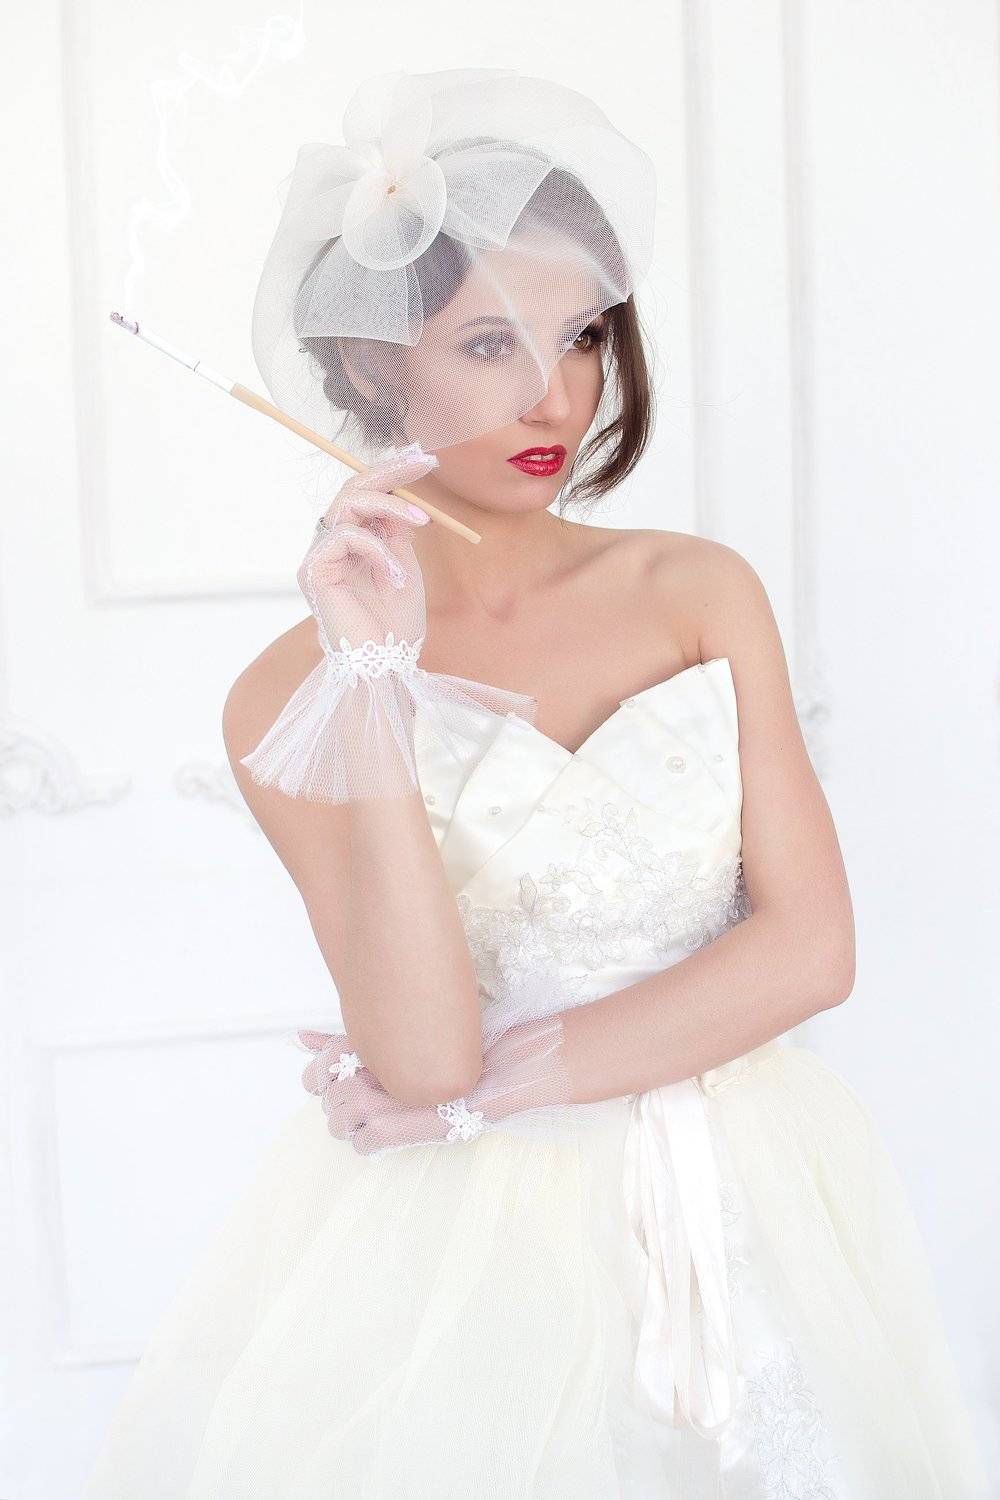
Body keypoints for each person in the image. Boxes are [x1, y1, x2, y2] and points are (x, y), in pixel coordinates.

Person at [83, 68, 989, 1498]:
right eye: (489, 343)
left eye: (581, 338)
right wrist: (372, 676)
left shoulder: (698, 590)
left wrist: (494, 1096)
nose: (555, 395)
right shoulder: (284, 696)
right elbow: (424, 1063)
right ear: (375, 364)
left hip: (750, 1195)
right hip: (472, 1250)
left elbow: (814, 951)